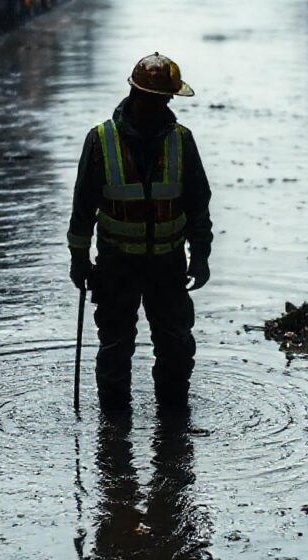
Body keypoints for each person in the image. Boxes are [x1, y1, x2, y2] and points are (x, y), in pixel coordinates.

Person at [67, 53, 213, 411]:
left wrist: (202, 254)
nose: (162, 105)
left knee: (176, 348)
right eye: (158, 98)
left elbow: (197, 203)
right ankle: (115, 439)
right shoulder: (101, 140)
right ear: (137, 95)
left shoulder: (181, 140)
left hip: (168, 263)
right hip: (118, 265)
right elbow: (83, 207)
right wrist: (79, 259)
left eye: (166, 99)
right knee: (116, 349)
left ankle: (174, 432)